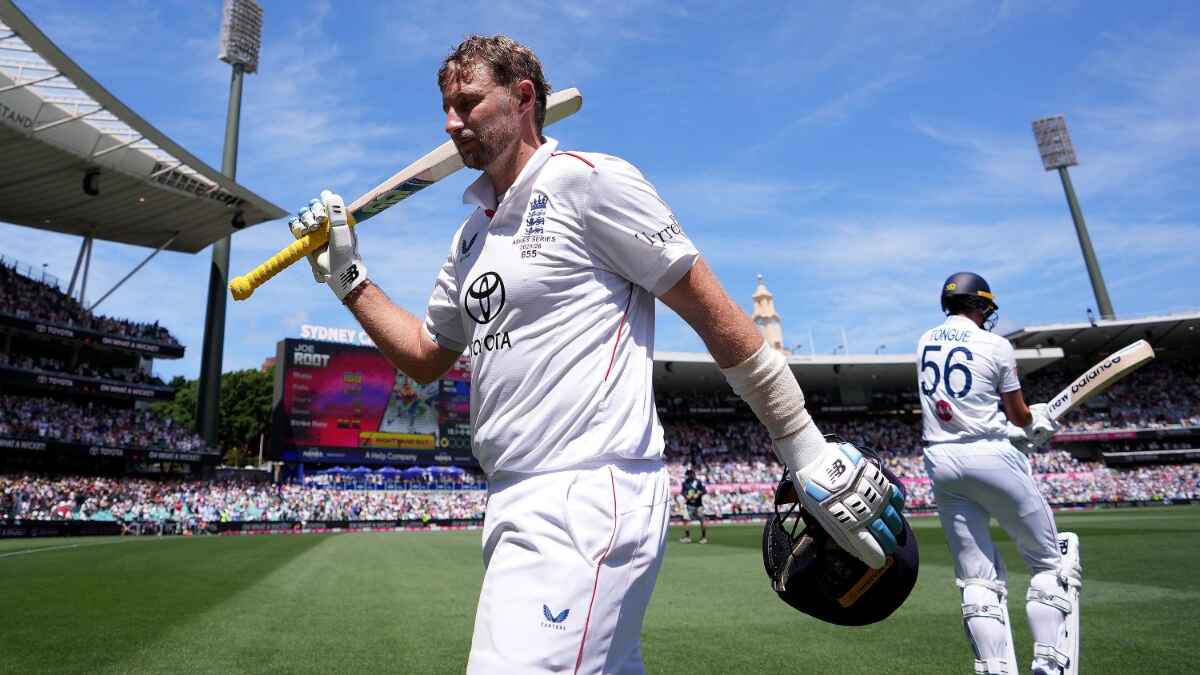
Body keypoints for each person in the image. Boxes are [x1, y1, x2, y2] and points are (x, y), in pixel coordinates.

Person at [290, 34, 906, 675]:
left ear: (523, 98)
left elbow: (712, 312)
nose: (451, 123)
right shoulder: (471, 236)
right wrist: (349, 279)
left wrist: (802, 443)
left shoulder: (591, 184)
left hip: (588, 491)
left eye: (468, 103)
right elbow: (425, 355)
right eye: (445, 106)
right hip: (510, 494)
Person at [918, 272, 1081, 675]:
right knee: (1048, 563)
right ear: (980, 306)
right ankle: (1047, 659)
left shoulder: (924, 342)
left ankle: (993, 666)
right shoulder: (996, 345)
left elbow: (963, 411)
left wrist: (1010, 429)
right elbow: (1019, 413)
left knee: (976, 578)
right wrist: (1033, 423)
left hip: (940, 461)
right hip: (992, 457)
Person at [679, 468, 708, 544]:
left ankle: (704, 538)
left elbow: (704, 491)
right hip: (689, 505)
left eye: (690, 473)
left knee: (702, 521)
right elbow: (682, 492)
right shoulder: (685, 483)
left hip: (698, 505)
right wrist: (686, 496)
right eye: (688, 474)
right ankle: (687, 537)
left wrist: (698, 494)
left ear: (693, 474)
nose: (689, 475)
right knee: (686, 520)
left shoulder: (698, 482)